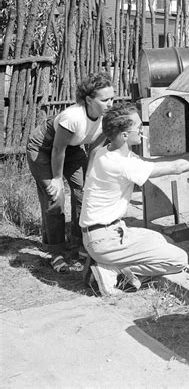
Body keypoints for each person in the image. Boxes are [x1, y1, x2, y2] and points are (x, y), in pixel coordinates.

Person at [80, 103, 189, 296]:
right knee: (178, 259)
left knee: (165, 239)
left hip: (106, 233)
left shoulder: (105, 152)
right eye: (138, 126)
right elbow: (176, 168)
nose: (142, 129)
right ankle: (113, 272)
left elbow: (151, 162)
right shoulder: (123, 165)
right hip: (105, 239)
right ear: (124, 136)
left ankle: (108, 263)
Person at [26, 73, 114, 273]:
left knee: (84, 191)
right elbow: (57, 150)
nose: (110, 103)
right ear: (89, 100)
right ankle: (55, 251)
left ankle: (79, 242)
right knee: (55, 197)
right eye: (105, 99)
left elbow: (94, 148)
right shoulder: (73, 117)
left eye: (112, 98)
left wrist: (90, 173)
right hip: (43, 147)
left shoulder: (106, 119)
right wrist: (57, 179)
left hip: (72, 148)